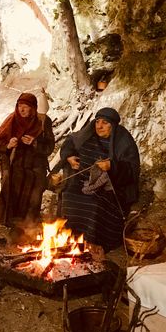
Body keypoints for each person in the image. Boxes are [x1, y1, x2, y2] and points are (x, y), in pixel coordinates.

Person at [59, 107, 140, 251]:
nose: (99, 126)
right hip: (84, 182)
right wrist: (69, 157)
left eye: (104, 123)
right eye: (97, 121)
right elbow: (70, 142)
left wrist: (112, 166)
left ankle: (92, 243)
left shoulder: (123, 141)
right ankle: (70, 239)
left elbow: (132, 170)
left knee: (95, 204)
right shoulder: (88, 135)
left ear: (113, 125)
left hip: (111, 188)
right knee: (69, 195)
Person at [0, 92, 55, 236]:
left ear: (33, 108)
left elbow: (50, 147)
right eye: (20, 106)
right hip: (15, 162)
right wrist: (8, 145)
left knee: (35, 190)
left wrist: (35, 143)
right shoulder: (12, 119)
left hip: (36, 164)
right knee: (12, 183)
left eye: (26, 106)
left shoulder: (43, 122)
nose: (22, 109)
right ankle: (10, 222)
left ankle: (29, 225)